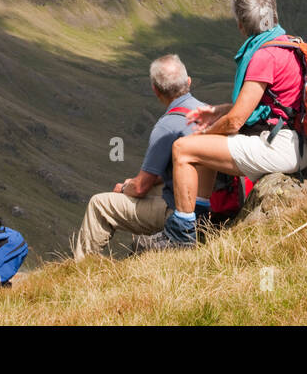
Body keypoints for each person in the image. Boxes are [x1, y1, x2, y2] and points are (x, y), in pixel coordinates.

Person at [163, 0, 307, 247]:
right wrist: (217, 111)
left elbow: (235, 122)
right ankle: (200, 226)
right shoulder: (286, 44)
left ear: (241, 24)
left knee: (183, 149)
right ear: (273, 15)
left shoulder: (264, 56)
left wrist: (208, 131)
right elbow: (265, 103)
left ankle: (181, 238)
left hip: (277, 148)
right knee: (204, 151)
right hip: (297, 145)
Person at [72, 54, 210, 259]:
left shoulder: (167, 126)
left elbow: (140, 187)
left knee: (99, 204)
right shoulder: (208, 112)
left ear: (155, 90)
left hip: (180, 212)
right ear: (188, 81)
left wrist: (125, 187)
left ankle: (81, 270)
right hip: (210, 207)